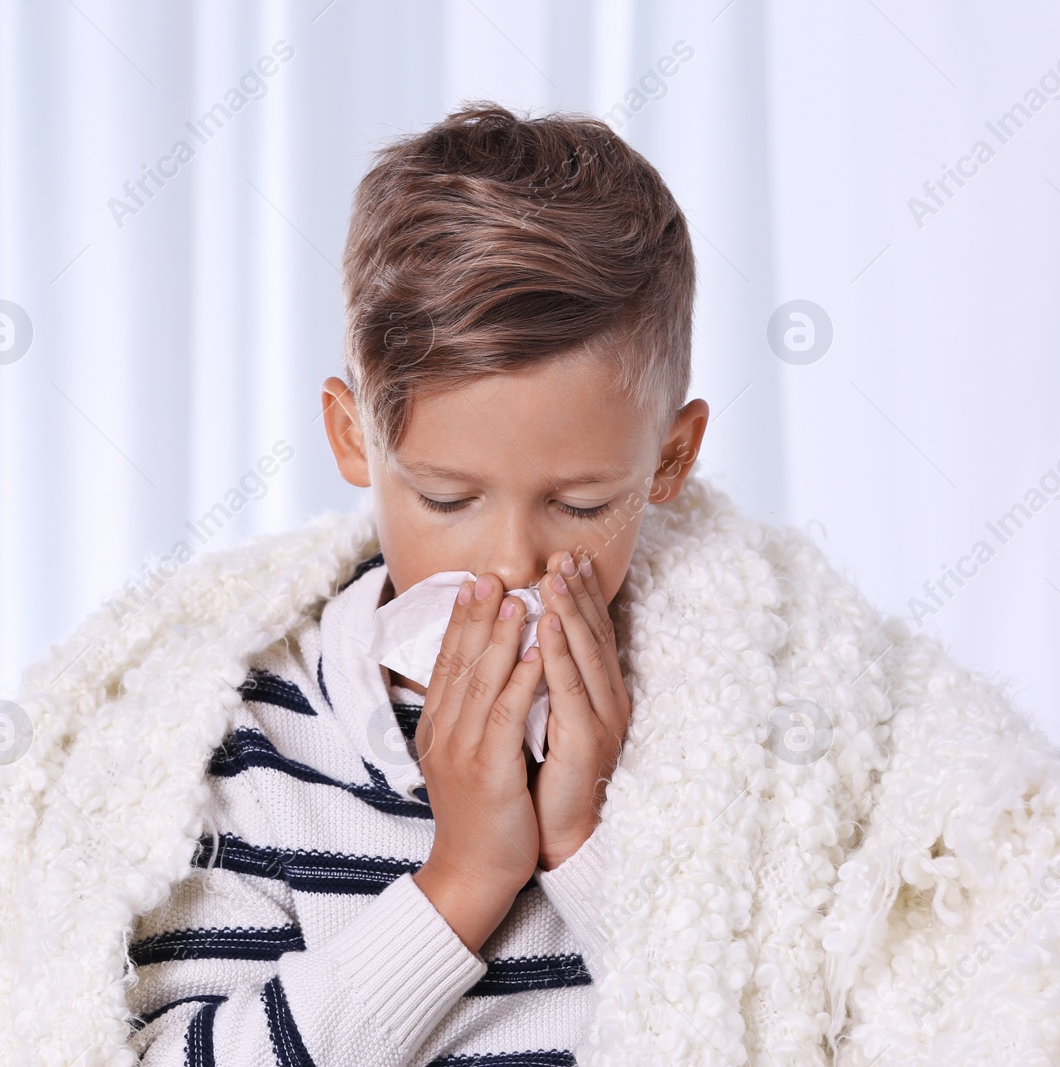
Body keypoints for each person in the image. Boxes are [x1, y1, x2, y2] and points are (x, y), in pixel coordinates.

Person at [125, 100, 707, 1065]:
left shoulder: (714, 701)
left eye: (582, 504)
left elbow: (780, 1019)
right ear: (358, 439)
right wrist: (465, 879)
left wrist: (583, 836)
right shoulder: (257, 737)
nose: (511, 564)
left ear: (669, 459)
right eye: (448, 498)